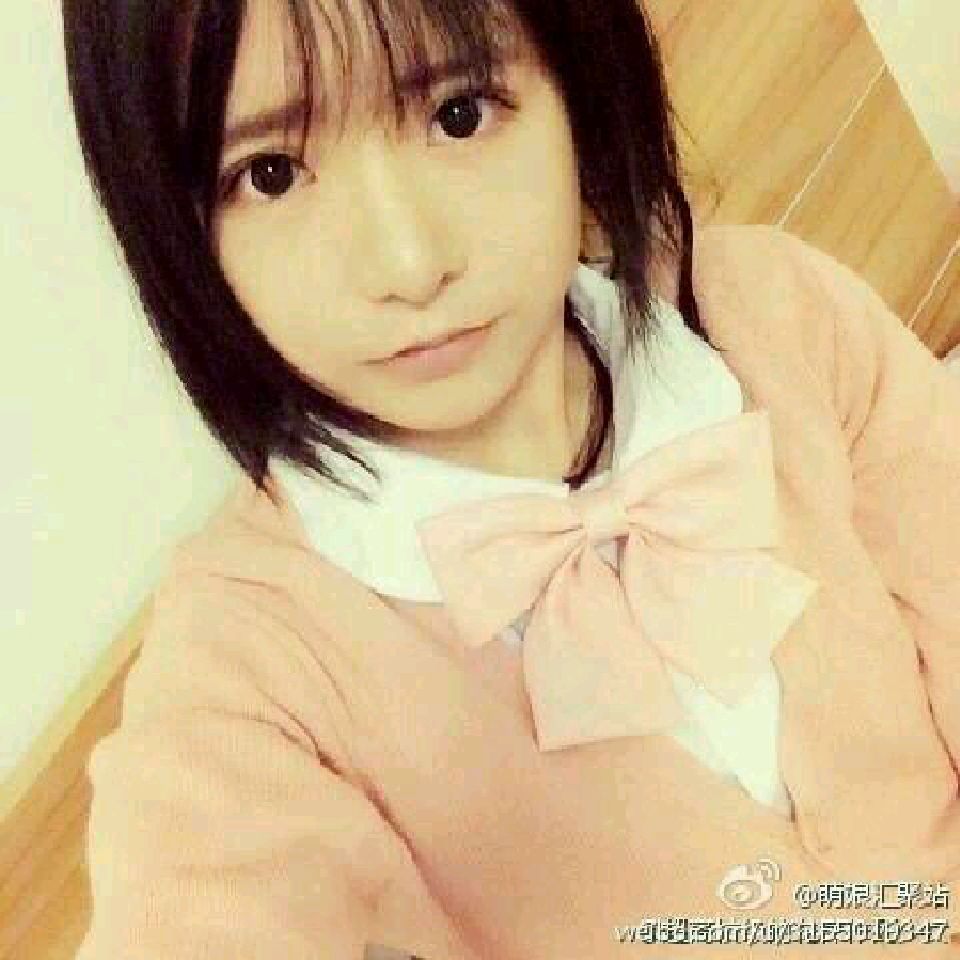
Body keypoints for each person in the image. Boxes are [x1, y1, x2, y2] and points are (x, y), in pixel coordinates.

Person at [61, 0, 960, 957]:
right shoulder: (248, 665)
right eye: (270, 174)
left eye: (459, 114)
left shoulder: (777, 314)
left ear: (577, 88)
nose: (409, 264)